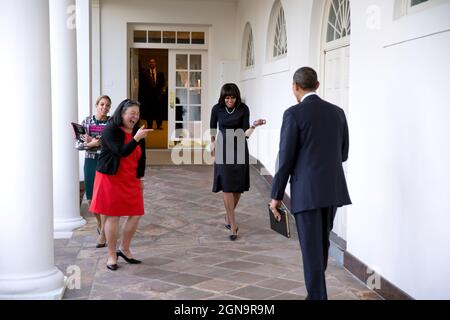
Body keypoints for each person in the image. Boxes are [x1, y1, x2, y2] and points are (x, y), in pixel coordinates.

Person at [270, 67, 351, 300]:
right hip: (332, 190)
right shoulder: (338, 112)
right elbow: (343, 153)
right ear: (316, 85)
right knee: (321, 245)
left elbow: (285, 159)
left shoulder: (293, 114)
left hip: (307, 192)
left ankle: (317, 297)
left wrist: (276, 196)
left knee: (311, 249)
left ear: (295, 87)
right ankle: (315, 294)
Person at [89, 99, 152, 271]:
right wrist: (136, 138)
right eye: (132, 113)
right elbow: (121, 151)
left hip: (130, 178)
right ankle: (111, 255)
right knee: (113, 216)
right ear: (122, 114)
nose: (135, 117)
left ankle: (124, 248)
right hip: (111, 177)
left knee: (137, 213)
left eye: (137, 114)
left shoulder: (137, 131)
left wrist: (141, 179)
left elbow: (142, 158)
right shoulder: (111, 129)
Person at [210, 83, 266, 241]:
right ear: (222, 97)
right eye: (227, 97)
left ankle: (228, 216)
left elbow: (245, 132)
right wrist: (213, 146)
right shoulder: (217, 109)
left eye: (232, 97)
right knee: (227, 186)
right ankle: (233, 226)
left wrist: (254, 126)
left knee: (238, 187)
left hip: (240, 147)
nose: (230, 100)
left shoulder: (243, 109)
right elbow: (213, 129)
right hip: (222, 147)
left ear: (237, 97)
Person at [75, 95, 111, 248]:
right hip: (90, 162)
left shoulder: (111, 123)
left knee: (102, 198)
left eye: (107, 105)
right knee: (91, 200)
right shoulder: (87, 122)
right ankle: (99, 223)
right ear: (96, 105)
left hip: (105, 163)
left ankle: (103, 233)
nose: (104, 107)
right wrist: (93, 144)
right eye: (102, 104)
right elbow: (78, 144)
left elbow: (111, 143)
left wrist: (97, 142)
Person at [138, 58, 166, 130]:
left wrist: (162, 92)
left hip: (158, 96)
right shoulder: (144, 73)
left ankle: (159, 125)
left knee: (158, 111)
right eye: (151, 62)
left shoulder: (160, 73)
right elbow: (142, 85)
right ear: (149, 64)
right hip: (148, 96)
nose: (152, 63)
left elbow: (163, 84)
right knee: (149, 111)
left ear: (155, 64)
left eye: (153, 62)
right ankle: (149, 125)